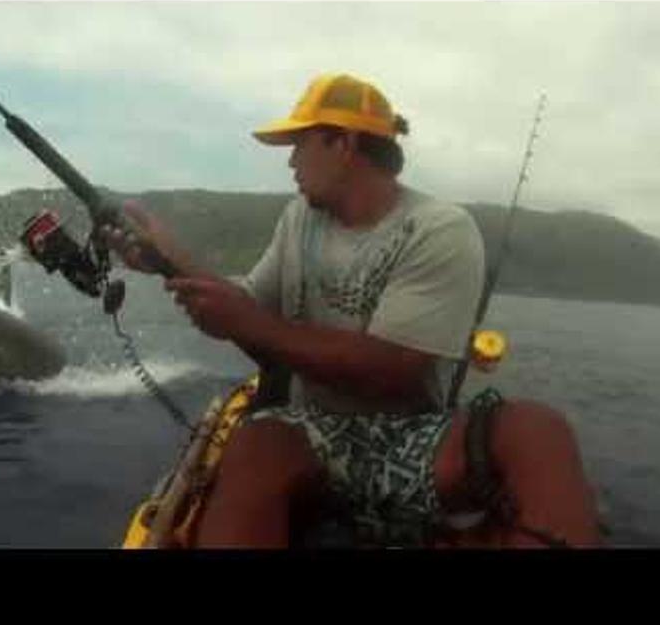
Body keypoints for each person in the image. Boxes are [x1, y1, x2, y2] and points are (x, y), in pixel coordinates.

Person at [101, 73, 600, 548]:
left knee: (538, 429)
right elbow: (247, 308)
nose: (291, 162)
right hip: (309, 429)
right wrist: (165, 260)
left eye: (300, 144)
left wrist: (249, 322)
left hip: (410, 436)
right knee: (257, 445)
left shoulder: (439, 229)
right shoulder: (298, 219)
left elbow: (396, 368)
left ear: (343, 144)